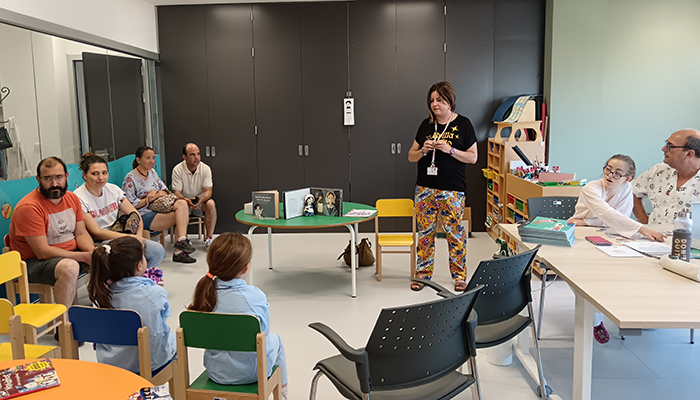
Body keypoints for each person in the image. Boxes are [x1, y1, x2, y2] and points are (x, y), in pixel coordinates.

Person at [568, 154, 666, 344]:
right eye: (608, 169)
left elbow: (616, 219)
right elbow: (606, 213)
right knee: (580, 275)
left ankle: (627, 314)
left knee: (623, 270)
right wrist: (640, 228)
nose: (610, 175)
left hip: (605, 234)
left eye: (618, 173)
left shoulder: (627, 189)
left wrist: (586, 221)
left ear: (628, 178)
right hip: (580, 235)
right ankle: (596, 322)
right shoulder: (591, 188)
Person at [188, 233, 288, 399]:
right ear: (245, 268)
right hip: (252, 373)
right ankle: (283, 394)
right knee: (276, 339)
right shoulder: (255, 297)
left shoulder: (204, 296)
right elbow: (263, 334)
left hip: (216, 372)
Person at [407, 81, 477, 292]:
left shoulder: (464, 124)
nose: (434, 104)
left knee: (455, 234)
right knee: (425, 234)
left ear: (450, 101)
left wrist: (450, 150)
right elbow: (411, 156)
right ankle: (423, 275)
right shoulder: (426, 125)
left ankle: (460, 276)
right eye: (431, 100)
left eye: (439, 100)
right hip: (425, 189)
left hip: (452, 190)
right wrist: (423, 151)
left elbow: (473, 157)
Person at [9, 157, 93, 309]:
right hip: (34, 263)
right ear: (38, 180)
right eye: (47, 178)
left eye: (59, 177)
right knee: (70, 267)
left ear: (66, 176)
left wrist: (92, 253)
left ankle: (104, 311)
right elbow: (42, 252)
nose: (54, 184)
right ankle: (64, 322)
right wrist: (83, 256)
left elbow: (81, 234)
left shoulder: (72, 198)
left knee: (111, 255)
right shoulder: (29, 207)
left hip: (70, 254)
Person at [88, 236, 176, 374]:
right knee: (176, 339)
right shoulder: (154, 293)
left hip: (111, 365)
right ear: (139, 265)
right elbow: (161, 322)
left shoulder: (100, 296)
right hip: (148, 364)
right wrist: (151, 285)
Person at [74, 153, 165, 285]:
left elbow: (135, 214)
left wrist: (138, 237)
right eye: (95, 174)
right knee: (127, 255)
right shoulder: (78, 198)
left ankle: (136, 282)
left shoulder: (113, 190)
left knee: (157, 251)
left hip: (120, 236)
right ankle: (123, 286)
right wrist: (131, 239)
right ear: (84, 175)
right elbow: (96, 232)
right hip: (100, 242)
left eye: (104, 173)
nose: (101, 177)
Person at [122, 146, 196, 263]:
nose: (152, 161)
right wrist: (148, 199)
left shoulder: (152, 173)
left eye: (153, 158)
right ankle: (179, 251)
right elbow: (129, 205)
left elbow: (165, 191)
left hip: (158, 209)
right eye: (148, 158)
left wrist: (155, 194)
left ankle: (181, 241)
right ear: (138, 160)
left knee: (182, 204)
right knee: (181, 216)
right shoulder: (130, 179)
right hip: (142, 215)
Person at [633, 129, 700, 224]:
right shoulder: (658, 171)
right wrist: (642, 219)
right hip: (654, 233)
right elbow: (632, 191)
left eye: (670, 146)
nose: (664, 149)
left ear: (689, 154)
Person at [171, 143, 217, 248]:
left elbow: (208, 191)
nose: (197, 157)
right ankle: (184, 239)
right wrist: (186, 200)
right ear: (184, 157)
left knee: (211, 203)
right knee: (181, 204)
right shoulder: (177, 169)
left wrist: (201, 199)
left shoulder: (205, 168)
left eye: (198, 154)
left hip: (200, 202)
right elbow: (176, 192)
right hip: (184, 202)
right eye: (192, 155)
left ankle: (209, 238)